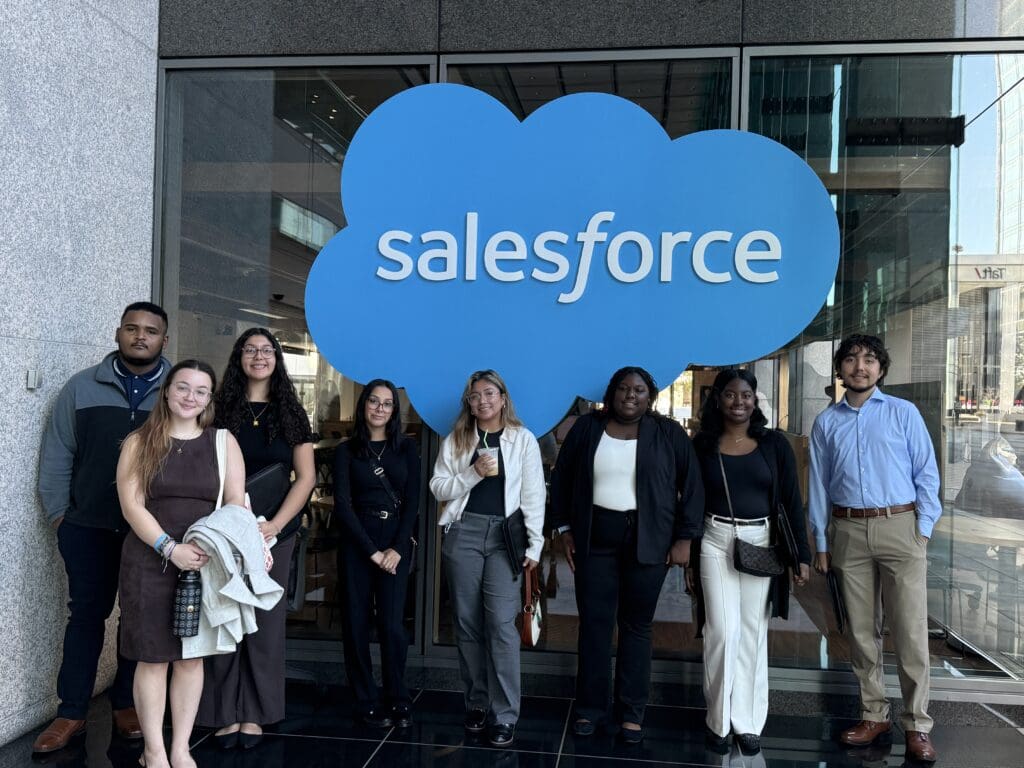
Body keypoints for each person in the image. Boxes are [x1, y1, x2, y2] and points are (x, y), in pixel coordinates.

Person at [35, 301, 171, 754]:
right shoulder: (80, 389)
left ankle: (125, 703)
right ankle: (71, 710)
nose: (140, 337)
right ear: (117, 334)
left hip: (149, 532)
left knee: (137, 618)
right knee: (86, 616)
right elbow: (57, 455)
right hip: (87, 526)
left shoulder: (177, 392)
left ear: (163, 341)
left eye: (150, 331)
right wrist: (61, 517)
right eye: (132, 329)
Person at [551, 366, 703, 744]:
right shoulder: (587, 430)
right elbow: (563, 479)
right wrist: (565, 530)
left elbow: (693, 486)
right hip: (594, 540)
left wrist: (684, 539)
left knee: (637, 627)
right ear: (611, 393)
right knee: (595, 626)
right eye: (623, 388)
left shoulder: (667, 433)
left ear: (649, 396)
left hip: (648, 540)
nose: (629, 395)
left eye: (638, 390)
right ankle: (589, 709)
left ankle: (632, 713)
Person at [809, 334, 941, 763]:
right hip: (848, 531)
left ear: (881, 369)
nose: (859, 367)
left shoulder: (904, 413)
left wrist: (922, 528)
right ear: (840, 369)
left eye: (868, 360)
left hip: (900, 527)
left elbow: (927, 472)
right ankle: (874, 713)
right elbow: (818, 487)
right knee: (862, 632)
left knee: (909, 631)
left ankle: (917, 723)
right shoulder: (827, 423)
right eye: (851, 360)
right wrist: (822, 542)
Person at [116, 360, 246, 768]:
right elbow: (131, 505)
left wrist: (215, 548)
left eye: (201, 390)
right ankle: (153, 751)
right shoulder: (140, 441)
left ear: (209, 399)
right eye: (183, 387)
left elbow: (235, 506)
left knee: (191, 658)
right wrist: (169, 548)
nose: (191, 397)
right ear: (168, 392)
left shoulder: (223, 443)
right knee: (152, 657)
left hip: (204, 563)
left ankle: (180, 746)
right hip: (149, 560)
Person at [197, 328, 316, 748]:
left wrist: (275, 525)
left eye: (267, 350)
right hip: (227, 532)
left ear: (277, 360)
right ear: (239, 357)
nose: (259, 356)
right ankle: (222, 712)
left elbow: (305, 478)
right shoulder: (219, 409)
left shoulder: (291, 414)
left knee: (265, 625)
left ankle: (257, 713)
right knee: (225, 620)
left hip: (272, 534)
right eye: (250, 349)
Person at [689, 369, 811, 754]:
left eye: (746, 395)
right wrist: (690, 557)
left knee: (752, 633)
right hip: (714, 538)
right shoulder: (703, 444)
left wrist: (801, 556)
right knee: (721, 631)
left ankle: (747, 723)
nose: (738, 402)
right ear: (718, 399)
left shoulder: (773, 444)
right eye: (730, 395)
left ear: (755, 400)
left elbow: (791, 500)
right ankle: (718, 721)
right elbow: (690, 501)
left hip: (762, 540)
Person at [430, 370, 545, 749]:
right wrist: (471, 473)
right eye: (475, 395)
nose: (483, 400)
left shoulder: (522, 439)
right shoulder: (458, 439)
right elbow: (438, 488)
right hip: (464, 532)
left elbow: (533, 495)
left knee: (501, 625)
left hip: (505, 537)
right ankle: (477, 703)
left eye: (489, 393)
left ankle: (506, 713)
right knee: (466, 623)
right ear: (469, 402)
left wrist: (534, 545)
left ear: (503, 397)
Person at [333, 379, 420, 728]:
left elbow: (413, 502)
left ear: (395, 411)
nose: (380, 409)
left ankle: (397, 696)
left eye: (387, 404)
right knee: (355, 624)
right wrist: (371, 552)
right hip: (358, 543)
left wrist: (397, 548)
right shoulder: (346, 451)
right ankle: (365, 698)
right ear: (363, 406)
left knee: (392, 625)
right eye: (374, 402)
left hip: (395, 540)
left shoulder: (407, 450)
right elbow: (342, 505)